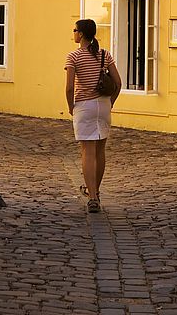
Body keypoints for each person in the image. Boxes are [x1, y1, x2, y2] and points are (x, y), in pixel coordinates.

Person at [64, 19, 121, 213]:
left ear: (80, 34)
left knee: (87, 152)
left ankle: (93, 197)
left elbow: (70, 87)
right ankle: (94, 190)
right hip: (103, 105)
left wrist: (71, 106)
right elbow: (118, 82)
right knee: (100, 151)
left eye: (74, 30)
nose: (73, 33)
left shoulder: (73, 57)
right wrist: (110, 102)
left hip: (84, 106)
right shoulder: (104, 54)